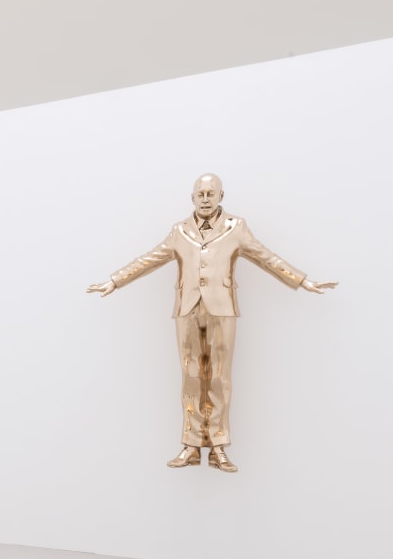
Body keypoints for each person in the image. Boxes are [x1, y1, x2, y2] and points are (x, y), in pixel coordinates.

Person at [86, 174, 336, 472]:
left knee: (219, 377)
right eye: (200, 194)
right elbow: (150, 259)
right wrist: (115, 281)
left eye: (211, 193)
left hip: (222, 309)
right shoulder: (179, 231)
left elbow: (265, 257)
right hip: (186, 309)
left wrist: (302, 280)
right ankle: (191, 446)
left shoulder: (236, 227)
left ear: (221, 196)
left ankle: (218, 446)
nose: (205, 199)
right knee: (190, 376)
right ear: (192, 198)